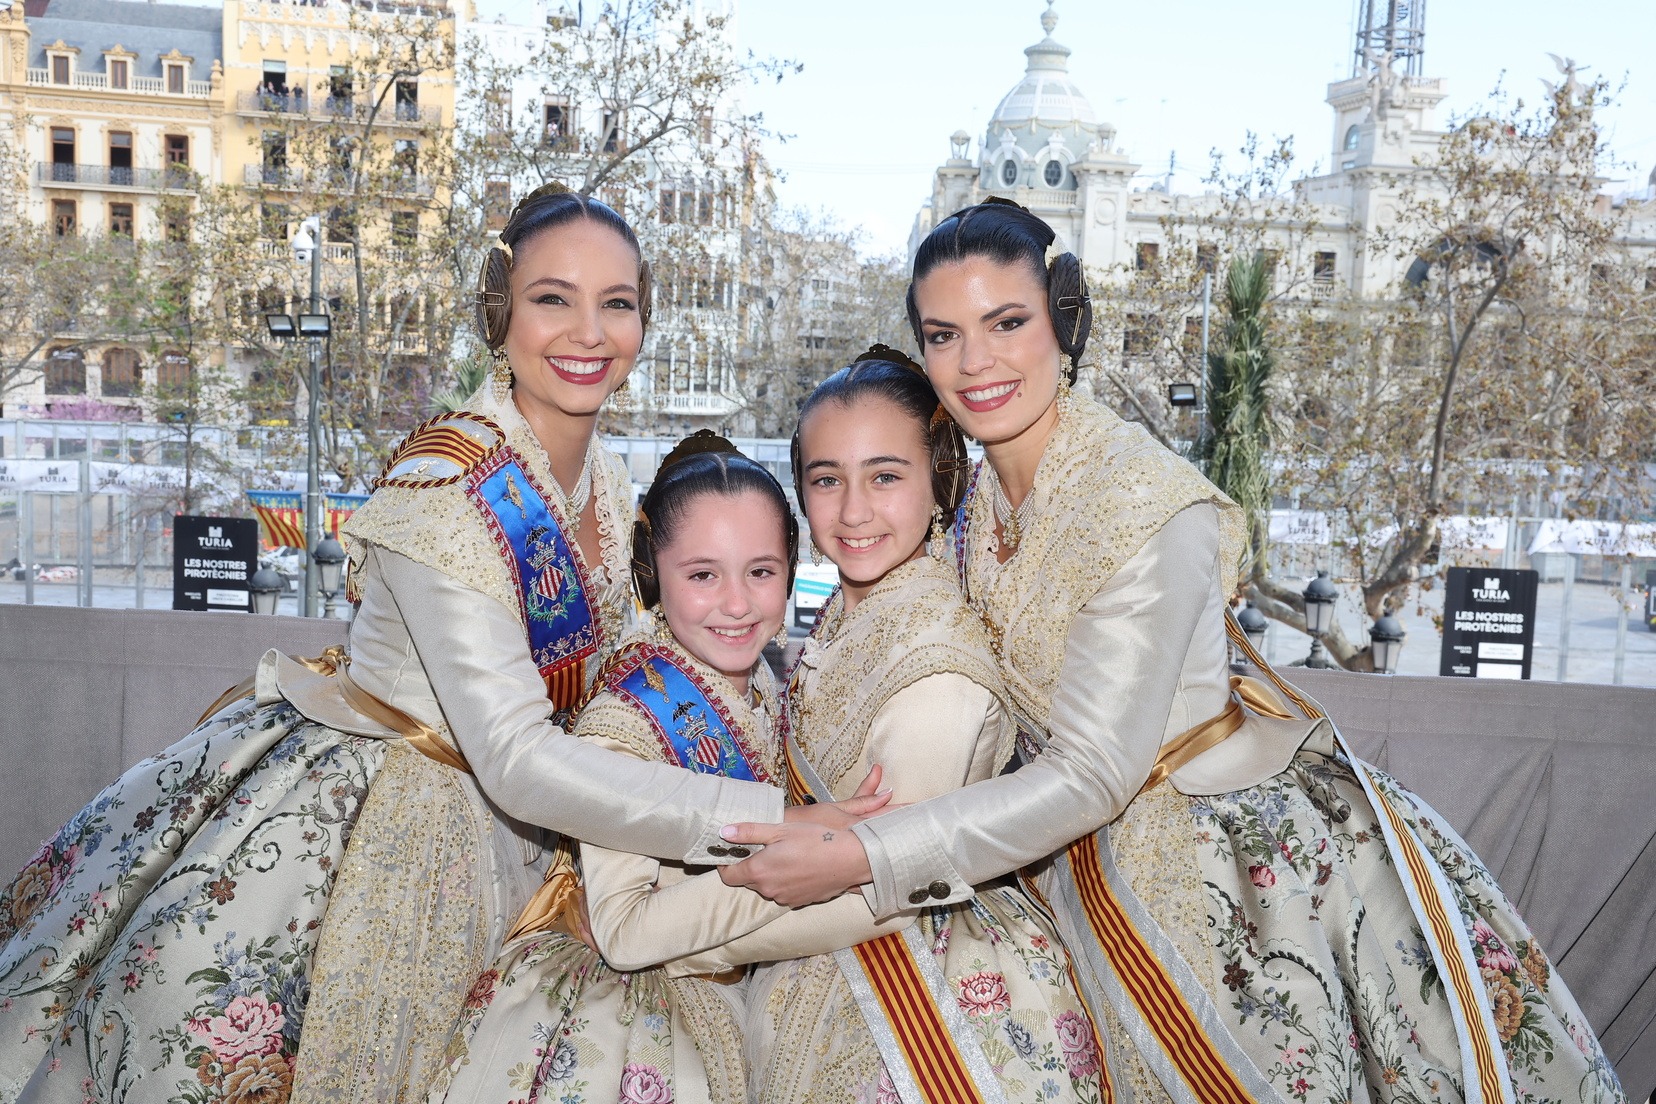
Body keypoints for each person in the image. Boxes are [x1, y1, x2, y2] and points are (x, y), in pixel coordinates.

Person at [722, 199, 1627, 1104]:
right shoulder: (970, 497)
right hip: (1055, 860)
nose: (976, 362)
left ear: (1064, 321)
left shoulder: (1145, 501)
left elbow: (1092, 775)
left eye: (1007, 323)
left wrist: (868, 854)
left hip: (1220, 871)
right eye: (944, 335)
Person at [0, 187, 857, 1104]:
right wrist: (766, 818)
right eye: (552, 298)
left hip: (542, 831)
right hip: (403, 826)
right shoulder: (446, 486)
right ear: (499, 311)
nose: (588, 332)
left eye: (617, 303)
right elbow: (516, 757)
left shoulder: (604, 482)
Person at [737, 350, 1104, 1103]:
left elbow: (885, 883)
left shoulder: (935, 668)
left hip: (907, 980)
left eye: (885, 476)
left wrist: (678, 939)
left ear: (939, 480)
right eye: (827, 479)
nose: (853, 511)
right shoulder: (855, 610)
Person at [430, 433, 798, 1104]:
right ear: (653, 576)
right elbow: (625, 930)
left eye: (761, 572)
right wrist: (808, 870)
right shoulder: (622, 722)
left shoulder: (758, 676)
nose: (738, 603)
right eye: (703, 575)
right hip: (635, 1017)